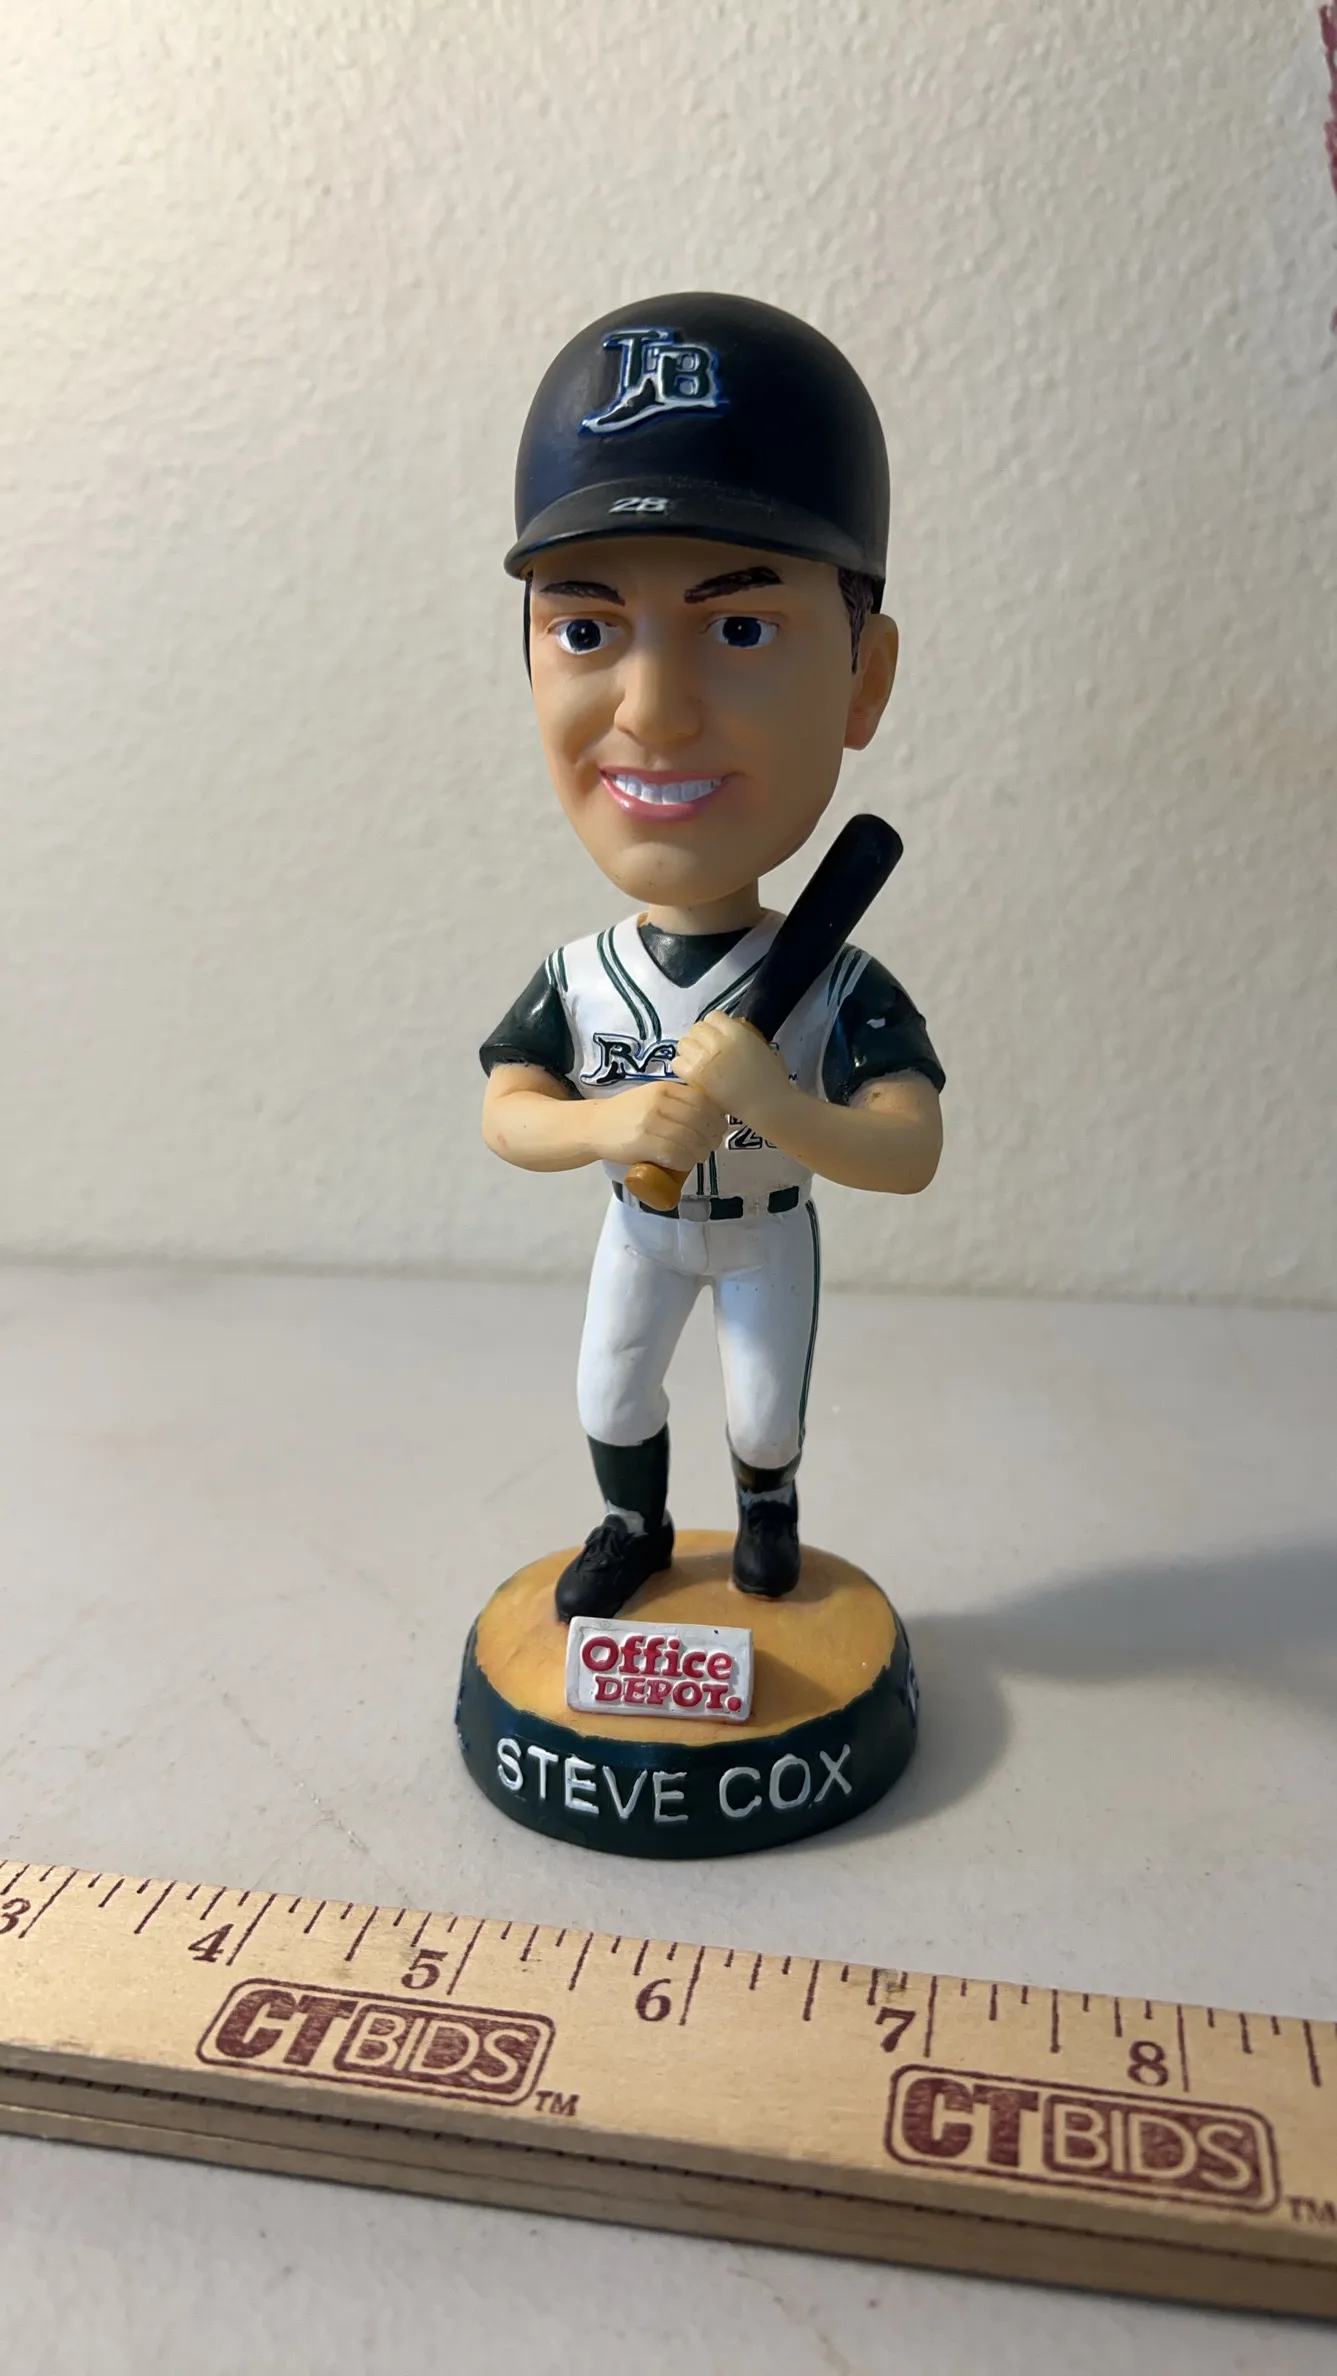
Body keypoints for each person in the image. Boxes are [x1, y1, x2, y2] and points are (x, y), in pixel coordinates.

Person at [480, 294, 944, 1620]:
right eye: (584, 630)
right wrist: (614, 1121)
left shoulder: (835, 979)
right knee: (609, 1388)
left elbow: (909, 1149)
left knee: (763, 1409)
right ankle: (631, 1522)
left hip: (763, 1230)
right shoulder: (584, 974)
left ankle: (766, 1510)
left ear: (864, 678)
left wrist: (773, 1101)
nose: (653, 711)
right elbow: (509, 1111)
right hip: (642, 1220)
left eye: (740, 629)